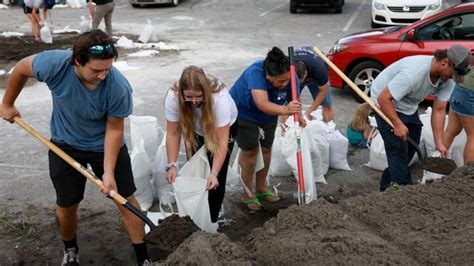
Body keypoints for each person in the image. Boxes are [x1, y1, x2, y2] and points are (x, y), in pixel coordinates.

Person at [0, 30, 150, 265]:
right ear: (76, 61)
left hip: (105, 145)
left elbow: (114, 129)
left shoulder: (118, 87)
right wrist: (7, 103)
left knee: (126, 200)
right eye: (96, 70)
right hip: (65, 144)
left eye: (107, 69)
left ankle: (144, 257)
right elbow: (20, 68)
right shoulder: (53, 64)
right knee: (67, 204)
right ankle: (70, 250)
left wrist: (108, 173)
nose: (102, 76)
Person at [370, 45, 471, 192]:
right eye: (453, 73)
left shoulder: (447, 79)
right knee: (397, 150)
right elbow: (384, 98)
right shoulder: (413, 74)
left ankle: (386, 188)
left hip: (408, 105)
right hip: (384, 103)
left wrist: (439, 143)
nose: (452, 78)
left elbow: (439, 109)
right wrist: (397, 124)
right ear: (445, 62)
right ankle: (402, 192)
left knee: (411, 146)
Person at [230, 47, 305, 211]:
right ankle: (247, 193)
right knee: (250, 152)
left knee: (266, 149)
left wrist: (299, 115)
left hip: (270, 114)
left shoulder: (291, 75)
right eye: (279, 81)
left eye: (286, 81)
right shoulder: (255, 72)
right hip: (244, 113)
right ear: (267, 75)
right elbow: (262, 103)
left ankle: (261, 187)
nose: (283, 84)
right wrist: (286, 110)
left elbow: (295, 97)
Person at [165, 66, 238, 223]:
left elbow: (221, 141)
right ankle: (195, 215)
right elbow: (173, 133)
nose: (194, 101)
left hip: (223, 128)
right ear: (181, 93)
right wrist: (172, 164)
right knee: (196, 169)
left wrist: (214, 173)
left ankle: (211, 219)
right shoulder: (172, 96)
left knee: (215, 176)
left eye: (198, 96)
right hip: (195, 128)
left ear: (205, 91)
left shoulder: (219, 98)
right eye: (189, 97)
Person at [294, 46, 334, 122]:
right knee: (288, 106)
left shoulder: (319, 68)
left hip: (315, 74)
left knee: (327, 106)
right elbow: (294, 96)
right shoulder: (288, 67)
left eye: (301, 81)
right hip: (299, 69)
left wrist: (310, 111)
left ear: (306, 72)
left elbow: (323, 90)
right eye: (298, 82)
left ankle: (329, 130)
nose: (301, 83)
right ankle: (285, 131)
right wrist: (299, 114)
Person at [443, 67, 474, 164]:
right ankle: (468, 175)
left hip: (458, 89)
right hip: (469, 94)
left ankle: (436, 165)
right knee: (472, 136)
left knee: (451, 130)